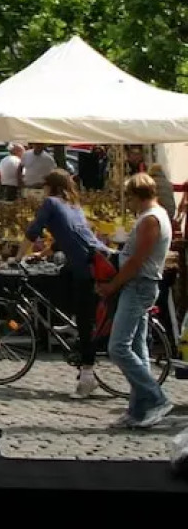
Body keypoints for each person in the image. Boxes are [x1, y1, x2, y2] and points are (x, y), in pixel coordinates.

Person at [20, 169, 109, 398]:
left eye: (44, 186)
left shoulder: (50, 203)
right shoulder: (73, 205)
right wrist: (43, 255)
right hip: (92, 260)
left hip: (86, 267)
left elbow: (33, 232)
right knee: (62, 281)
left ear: (50, 187)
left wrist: (15, 257)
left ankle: (87, 377)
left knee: (86, 323)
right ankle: (74, 322)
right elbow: (64, 236)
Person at [98, 172, 174, 428]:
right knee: (138, 349)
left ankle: (156, 398)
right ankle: (137, 410)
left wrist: (112, 285)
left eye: (129, 197)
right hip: (139, 284)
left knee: (118, 347)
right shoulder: (153, 216)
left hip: (139, 285)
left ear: (135, 195)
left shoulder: (150, 219)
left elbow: (136, 261)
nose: (128, 204)